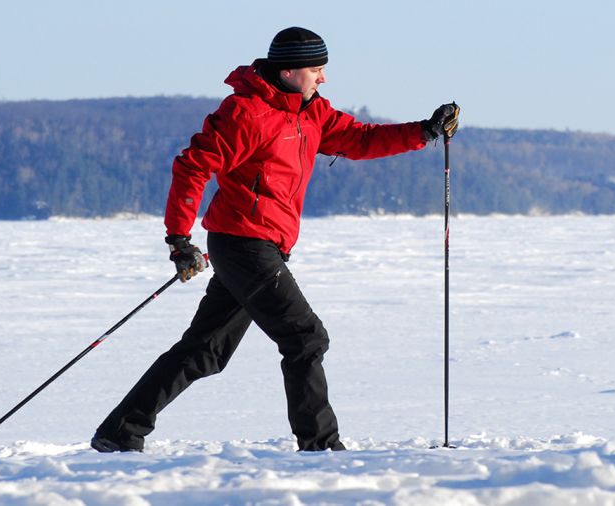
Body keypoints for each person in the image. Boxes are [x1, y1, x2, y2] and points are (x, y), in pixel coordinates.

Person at [90, 26, 459, 452]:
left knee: (205, 350)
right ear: (288, 72)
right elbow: (192, 167)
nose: (322, 78)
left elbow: (361, 139)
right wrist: (179, 238)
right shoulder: (246, 113)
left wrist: (425, 130)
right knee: (306, 337)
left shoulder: (312, 113)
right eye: (316, 70)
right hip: (243, 243)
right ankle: (320, 447)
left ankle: (119, 433)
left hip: (262, 247)